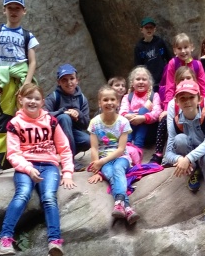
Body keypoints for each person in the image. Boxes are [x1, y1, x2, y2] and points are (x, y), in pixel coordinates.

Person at [0, 83, 75, 256]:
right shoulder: (14, 124)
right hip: (26, 165)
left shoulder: (51, 121)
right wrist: (28, 169)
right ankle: (5, 238)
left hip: (49, 166)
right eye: (28, 98)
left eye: (36, 98)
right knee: (23, 194)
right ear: (20, 99)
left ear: (42, 102)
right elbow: (13, 154)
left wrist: (68, 172)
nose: (32, 101)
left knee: (49, 197)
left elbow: (64, 148)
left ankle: (55, 242)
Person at [0, 0, 39, 176]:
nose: (13, 12)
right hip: (4, 81)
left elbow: (32, 61)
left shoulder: (27, 35)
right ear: (4, 10)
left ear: (24, 11)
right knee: (2, 120)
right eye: (10, 8)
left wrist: (27, 83)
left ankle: (32, 156)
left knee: (30, 117)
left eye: (17, 8)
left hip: (23, 80)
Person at [164, 80, 205, 225]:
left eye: (191, 97)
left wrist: (188, 158)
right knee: (180, 140)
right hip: (191, 158)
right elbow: (168, 153)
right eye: (182, 98)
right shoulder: (175, 122)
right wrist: (179, 159)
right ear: (177, 101)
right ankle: (195, 171)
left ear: (199, 99)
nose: (187, 101)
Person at [87, 86, 140, 225]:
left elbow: (121, 149)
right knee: (111, 175)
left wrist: (101, 162)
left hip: (121, 158)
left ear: (117, 102)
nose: (109, 102)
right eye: (105, 100)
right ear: (99, 103)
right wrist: (96, 169)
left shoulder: (123, 122)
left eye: (112, 99)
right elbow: (94, 147)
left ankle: (119, 202)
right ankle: (127, 208)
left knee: (117, 169)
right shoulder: (94, 123)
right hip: (103, 160)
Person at [44, 63, 91, 171]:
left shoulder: (82, 99)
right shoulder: (54, 97)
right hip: (55, 135)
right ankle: (69, 161)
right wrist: (63, 112)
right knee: (64, 118)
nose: (69, 82)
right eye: (64, 80)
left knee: (88, 140)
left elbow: (86, 124)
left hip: (72, 133)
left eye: (72, 78)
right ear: (59, 82)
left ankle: (66, 155)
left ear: (77, 80)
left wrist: (78, 115)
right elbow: (43, 115)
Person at [119, 66, 161, 148]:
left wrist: (143, 118)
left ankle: (138, 146)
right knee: (129, 113)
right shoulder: (127, 97)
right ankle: (128, 143)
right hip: (131, 130)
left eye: (144, 79)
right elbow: (122, 112)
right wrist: (127, 115)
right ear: (132, 83)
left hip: (148, 132)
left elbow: (157, 112)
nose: (141, 82)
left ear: (149, 82)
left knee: (142, 111)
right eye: (138, 79)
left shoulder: (154, 96)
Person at [133, 17, 172, 96]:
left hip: (163, 78)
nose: (149, 29)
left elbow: (168, 57)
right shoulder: (139, 47)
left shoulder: (159, 42)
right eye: (146, 27)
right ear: (141, 30)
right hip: (149, 81)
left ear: (154, 29)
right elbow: (138, 66)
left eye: (151, 27)